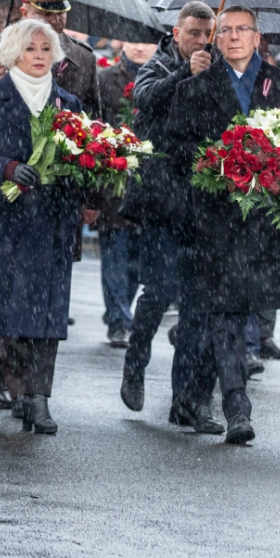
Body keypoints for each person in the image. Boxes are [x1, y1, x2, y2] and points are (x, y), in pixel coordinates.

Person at [163, 6, 280, 445]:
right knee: (225, 313)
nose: (235, 36)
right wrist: (219, 161)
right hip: (214, 221)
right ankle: (237, 407)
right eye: (226, 30)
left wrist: (276, 169)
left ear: (258, 37)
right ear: (216, 39)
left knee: (233, 314)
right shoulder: (194, 88)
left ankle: (192, 397)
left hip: (263, 222)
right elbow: (176, 150)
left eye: (243, 29)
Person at [0, 20, 83, 430]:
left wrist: (85, 170)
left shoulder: (68, 103)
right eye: (30, 48)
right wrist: (6, 168)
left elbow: (83, 157)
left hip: (51, 223)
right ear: (12, 54)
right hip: (3, 224)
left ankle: (37, 398)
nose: (40, 55)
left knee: (44, 316)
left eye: (45, 48)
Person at [117, 2, 217, 423]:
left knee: (196, 303)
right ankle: (135, 364)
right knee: (159, 291)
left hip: (202, 200)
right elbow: (146, 99)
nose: (202, 41)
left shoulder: (218, 69)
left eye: (207, 34)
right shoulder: (158, 64)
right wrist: (185, 74)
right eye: (194, 33)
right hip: (161, 198)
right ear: (177, 34)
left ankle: (185, 401)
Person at [95, 41, 155, 347]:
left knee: (136, 261)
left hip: (146, 181)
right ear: (122, 45)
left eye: (147, 43)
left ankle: (120, 311)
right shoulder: (105, 79)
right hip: (113, 181)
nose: (140, 49)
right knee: (114, 255)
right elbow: (95, 124)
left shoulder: (159, 79)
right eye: (135, 42)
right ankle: (119, 319)